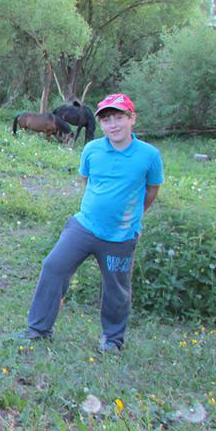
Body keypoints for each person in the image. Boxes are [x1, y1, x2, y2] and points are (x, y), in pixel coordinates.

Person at [21, 93, 163, 352]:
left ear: (132, 119)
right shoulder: (91, 149)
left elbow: (152, 191)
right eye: (107, 120)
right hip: (84, 227)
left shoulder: (149, 156)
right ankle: (38, 330)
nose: (113, 125)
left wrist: (131, 217)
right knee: (54, 266)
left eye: (119, 118)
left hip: (121, 236)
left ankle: (113, 340)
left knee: (116, 289)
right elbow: (88, 183)